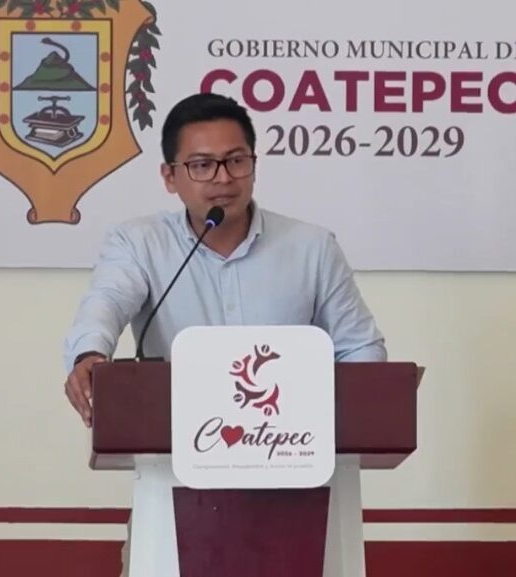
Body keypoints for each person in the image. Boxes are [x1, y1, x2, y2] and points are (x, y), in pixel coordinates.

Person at [63, 92, 386, 575]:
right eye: (201, 165)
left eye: (236, 161)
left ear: (254, 165)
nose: (222, 179)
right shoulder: (139, 244)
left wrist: (369, 404)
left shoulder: (311, 247)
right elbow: (106, 301)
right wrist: (90, 352)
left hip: (300, 479)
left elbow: (361, 349)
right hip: (177, 476)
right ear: (169, 177)